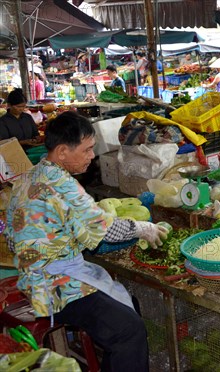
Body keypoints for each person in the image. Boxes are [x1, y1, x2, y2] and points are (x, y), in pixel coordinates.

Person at [4, 111, 168, 371]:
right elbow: (103, 230)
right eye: (87, 150)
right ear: (61, 153)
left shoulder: (28, 177)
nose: (92, 157)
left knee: (128, 305)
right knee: (130, 330)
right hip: (54, 287)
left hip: (31, 275)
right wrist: (141, 228)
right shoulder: (62, 185)